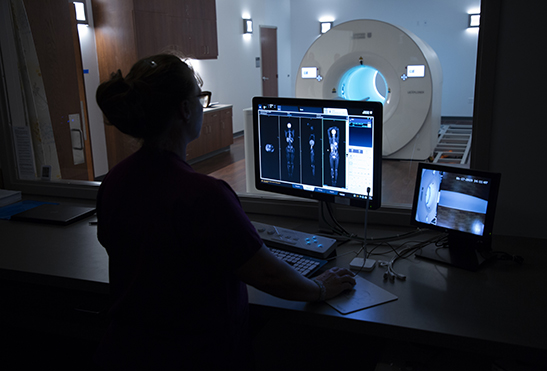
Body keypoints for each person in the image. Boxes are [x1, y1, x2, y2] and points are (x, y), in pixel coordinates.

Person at [94, 53, 356, 369]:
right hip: (195, 355)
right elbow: (271, 276)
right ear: (186, 109)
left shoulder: (115, 181)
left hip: (128, 351)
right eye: (201, 97)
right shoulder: (203, 195)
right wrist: (320, 286)